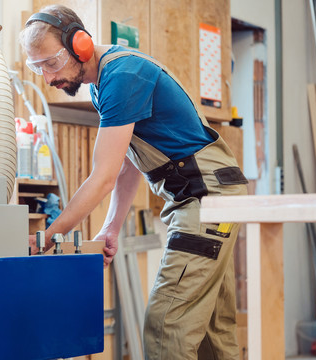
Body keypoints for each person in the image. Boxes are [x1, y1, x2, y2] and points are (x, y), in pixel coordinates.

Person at [20, 5, 248, 360]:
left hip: (206, 198)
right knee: (213, 334)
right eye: (38, 68)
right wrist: (111, 226)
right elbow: (127, 163)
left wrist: (49, 235)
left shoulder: (122, 75)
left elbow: (103, 177)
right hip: (206, 194)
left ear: (80, 44)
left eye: (51, 63)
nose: (48, 78)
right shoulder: (102, 85)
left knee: (166, 326)